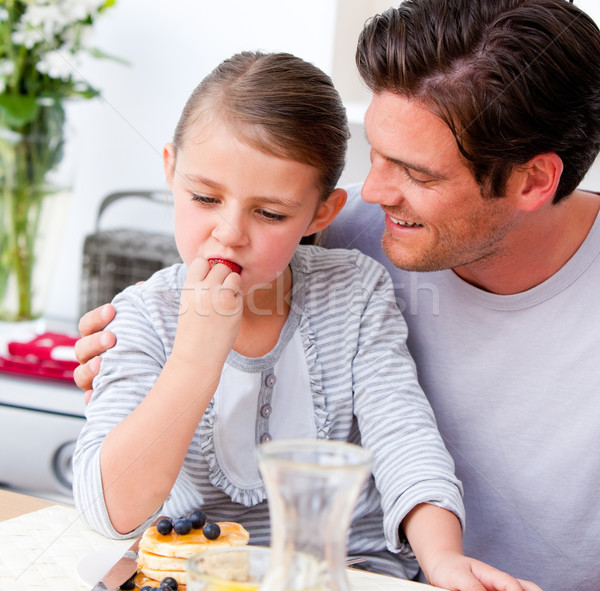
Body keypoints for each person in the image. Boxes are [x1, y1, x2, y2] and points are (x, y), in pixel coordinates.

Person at [74, 0, 600, 589]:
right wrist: (177, 359)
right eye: (374, 155)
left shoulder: (351, 283)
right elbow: (111, 503)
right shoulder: (160, 307)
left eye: (416, 173)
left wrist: (442, 562)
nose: (372, 194)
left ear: (533, 180)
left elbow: (404, 433)